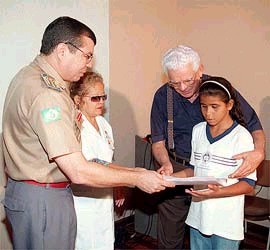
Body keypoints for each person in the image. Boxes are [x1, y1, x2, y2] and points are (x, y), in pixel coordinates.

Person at [1, 16, 174, 250]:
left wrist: (135, 171)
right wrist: (137, 179)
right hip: (44, 198)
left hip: (32, 194)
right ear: (62, 50)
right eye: (87, 55)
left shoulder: (27, 77)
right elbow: (78, 170)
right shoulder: (47, 94)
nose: (89, 64)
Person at [150, 45, 265, 249]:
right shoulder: (163, 96)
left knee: (215, 230)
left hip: (217, 175)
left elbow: (254, 124)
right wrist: (166, 164)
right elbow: (158, 141)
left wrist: (259, 152)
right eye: (175, 82)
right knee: (172, 236)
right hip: (179, 166)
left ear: (199, 70)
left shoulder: (217, 91)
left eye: (188, 80)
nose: (183, 87)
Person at [173, 76, 257, 250]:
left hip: (225, 222)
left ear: (230, 105)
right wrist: (171, 178)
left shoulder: (242, 137)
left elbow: (248, 185)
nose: (208, 113)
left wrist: (218, 192)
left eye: (215, 107)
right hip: (198, 216)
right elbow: (193, 170)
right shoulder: (198, 131)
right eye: (204, 107)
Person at [70, 71, 124, 250]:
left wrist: (118, 185)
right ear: (78, 99)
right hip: (84, 201)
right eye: (95, 98)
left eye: (103, 97)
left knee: (106, 242)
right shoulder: (74, 126)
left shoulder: (104, 124)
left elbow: (108, 161)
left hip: (104, 199)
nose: (101, 102)